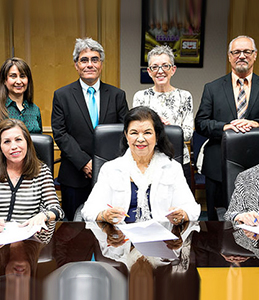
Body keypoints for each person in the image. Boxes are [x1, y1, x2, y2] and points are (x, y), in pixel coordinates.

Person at [195, 35, 259, 220]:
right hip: (217, 164)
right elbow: (201, 123)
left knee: (255, 220)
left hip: (256, 164)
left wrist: (258, 124)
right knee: (215, 223)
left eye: (246, 52)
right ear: (229, 56)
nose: (241, 56)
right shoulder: (212, 88)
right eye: (236, 52)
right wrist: (226, 127)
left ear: (255, 55)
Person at [51, 37, 129, 221]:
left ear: (101, 64)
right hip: (74, 175)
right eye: (84, 60)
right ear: (76, 65)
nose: (89, 65)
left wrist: (105, 165)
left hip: (110, 175)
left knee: (110, 227)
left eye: (95, 59)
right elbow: (60, 134)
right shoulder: (62, 95)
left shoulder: (117, 95)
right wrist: (84, 163)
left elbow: (124, 132)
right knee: (74, 231)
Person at [81, 106, 200, 224]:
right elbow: (89, 210)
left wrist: (183, 214)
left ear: (157, 136)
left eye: (147, 133)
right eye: (134, 133)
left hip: (161, 237)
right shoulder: (110, 169)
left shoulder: (172, 168)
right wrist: (104, 215)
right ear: (126, 136)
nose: (140, 139)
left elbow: (191, 209)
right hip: (121, 237)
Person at [133, 45, 193, 187]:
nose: (160, 71)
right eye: (155, 67)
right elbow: (136, 132)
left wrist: (167, 128)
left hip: (178, 159)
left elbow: (188, 133)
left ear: (173, 69)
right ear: (149, 71)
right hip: (147, 162)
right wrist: (157, 126)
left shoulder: (185, 96)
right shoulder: (140, 97)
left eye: (165, 66)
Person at [0, 119, 64, 231]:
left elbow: (57, 210)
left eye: (18, 139)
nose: (13, 146)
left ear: (27, 142)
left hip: (27, 238)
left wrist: (44, 215)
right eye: (7, 142)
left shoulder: (41, 171)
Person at [0, 57, 42, 133]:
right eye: (13, 76)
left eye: (22, 76)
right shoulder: (1, 108)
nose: (19, 81)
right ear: (4, 80)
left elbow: (40, 140)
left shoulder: (35, 109)